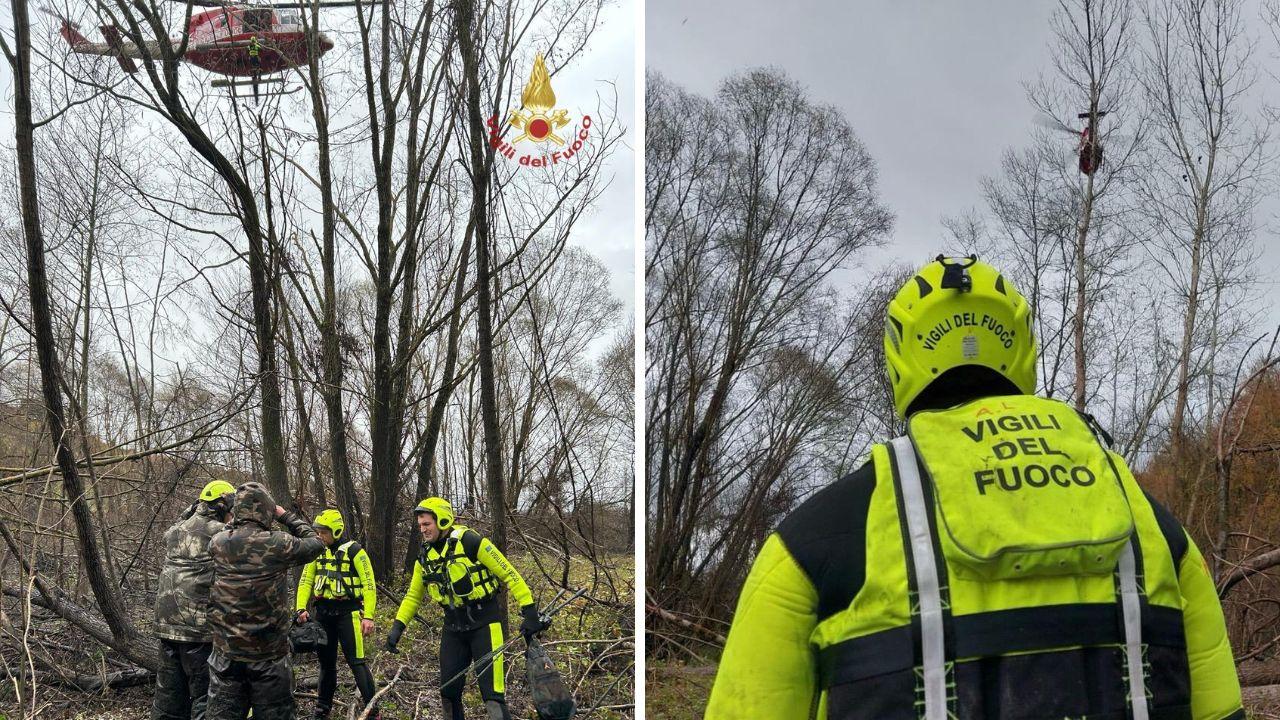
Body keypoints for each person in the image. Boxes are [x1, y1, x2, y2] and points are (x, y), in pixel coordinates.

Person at [705, 255, 1244, 720]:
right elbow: (1220, 704)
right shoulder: (1153, 525)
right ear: (1022, 352)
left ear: (900, 361)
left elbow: (748, 702)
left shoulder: (812, 538)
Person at [385, 497, 551, 720]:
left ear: (442, 520)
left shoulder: (471, 541)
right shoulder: (424, 557)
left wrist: (529, 611)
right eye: (420, 526)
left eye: (427, 524)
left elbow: (509, 574)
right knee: (449, 693)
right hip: (453, 627)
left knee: (492, 696)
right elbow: (413, 596)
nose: (422, 530)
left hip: (485, 624)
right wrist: (397, 627)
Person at [206, 482, 325, 720]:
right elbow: (317, 542)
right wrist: (285, 515)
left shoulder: (218, 543)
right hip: (269, 657)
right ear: (267, 511)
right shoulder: (278, 543)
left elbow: (232, 531)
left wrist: (237, 516)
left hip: (226, 655)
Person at [152, 479, 235, 720]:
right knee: (204, 698)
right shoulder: (221, 534)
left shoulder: (175, 531)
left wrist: (194, 507)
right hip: (197, 629)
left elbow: (176, 525)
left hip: (166, 624)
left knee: (168, 699)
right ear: (222, 506)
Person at [295, 509, 380, 720]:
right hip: (323, 614)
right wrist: (300, 608)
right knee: (326, 663)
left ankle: (373, 711)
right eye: (317, 532)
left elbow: (369, 586)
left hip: (348, 614)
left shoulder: (355, 552)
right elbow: (306, 580)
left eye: (323, 532)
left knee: (356, 661)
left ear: (336, 530)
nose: (319, 536)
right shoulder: (316, 551)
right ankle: (323, 707)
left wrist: (368, 616)